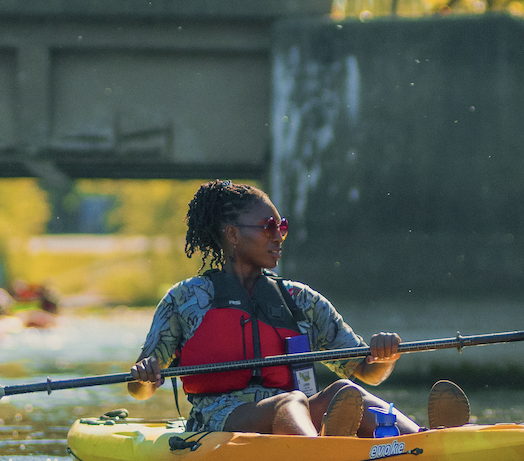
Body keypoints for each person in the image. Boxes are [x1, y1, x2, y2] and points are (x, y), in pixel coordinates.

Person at [128, 180, 472, 437]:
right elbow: (140, 388)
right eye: (268, 228)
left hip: (296, 414)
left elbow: (365, 372)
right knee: (288, 402)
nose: (278, 236)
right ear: (232, 234)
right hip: (220, 419)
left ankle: (425, 442)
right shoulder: (186, 299)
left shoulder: (300, 300)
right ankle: (320, 454)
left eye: (283, 227)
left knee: (344, 391)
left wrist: (384, 358)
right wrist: (145, 378)